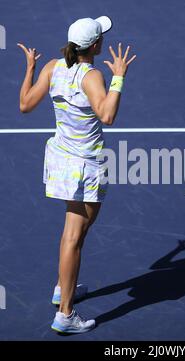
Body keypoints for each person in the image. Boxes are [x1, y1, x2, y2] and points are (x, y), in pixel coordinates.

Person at [17, 15, 137, 334]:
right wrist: (119, 77)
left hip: (61, 159)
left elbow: (25, 104)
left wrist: (30, 66)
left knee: (78, 231)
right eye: (102, 38)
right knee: (74, 237)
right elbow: (108, 114)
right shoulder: (92, 76)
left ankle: (62, 288)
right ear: (95, 46)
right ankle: (65, 314)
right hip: (86, 165)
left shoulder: (52, 67)